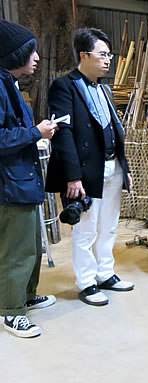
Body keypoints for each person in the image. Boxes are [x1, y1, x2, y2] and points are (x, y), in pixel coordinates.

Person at [45, 28, 133, 306]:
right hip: (86, 171)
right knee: (86, 229)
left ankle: (105, 273)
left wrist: (125, 167)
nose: (109, 60)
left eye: (110, 55)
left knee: (109, 226)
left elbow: (114, 131)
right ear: (84, 55)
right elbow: (64, 133)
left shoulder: (104, 89)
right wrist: (72, 177)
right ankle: (86, 282)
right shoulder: (64, 86)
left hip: (112, 167)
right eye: (103, 54)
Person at [0, 20, 58, 338]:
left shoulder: (10, 84)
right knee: (16, 251)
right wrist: (37, 132)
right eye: (31, 51)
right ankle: (11, 312)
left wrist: (37, 132)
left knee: (32, 246)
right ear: (14, 54)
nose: (36, 57)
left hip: (22, 178)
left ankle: (26, 296)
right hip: (9, 184)